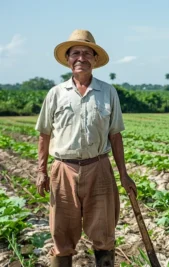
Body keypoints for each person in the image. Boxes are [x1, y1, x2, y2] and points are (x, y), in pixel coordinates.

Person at [35, 29, 137, 267]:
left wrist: (124, 174)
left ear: (95, 59)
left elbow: (116, 135)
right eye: (76, 53)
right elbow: (44, 135)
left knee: (104, 233)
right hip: (63, 170)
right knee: (61, 234)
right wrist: (41, 171)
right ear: (68, 60)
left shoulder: (108, 92)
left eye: (87, 53)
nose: (81, 58)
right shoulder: (56, 94)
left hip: (99, 168)